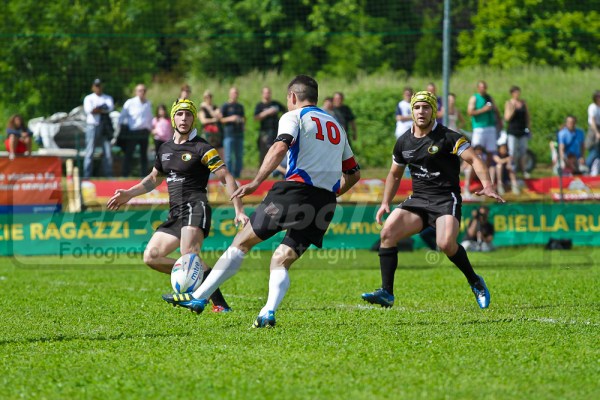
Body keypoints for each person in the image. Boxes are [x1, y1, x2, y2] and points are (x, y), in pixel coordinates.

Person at [162, 75, 361, 328]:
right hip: (324, 202)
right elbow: (353, 174)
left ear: (292, 96)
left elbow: (279, 147)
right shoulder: (336, 126)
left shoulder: (294, 116)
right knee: (281, 259)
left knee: (242, 242)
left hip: (294, 192)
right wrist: (331, 194)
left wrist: (256, 182)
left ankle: (198, 297)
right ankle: (267, 312)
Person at [361, 91, 505, 311]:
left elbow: (474, 159)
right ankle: (386, 293)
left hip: (445, 198)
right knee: (387, 233)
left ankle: (475, 281)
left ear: (434, 111)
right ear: (412, 111)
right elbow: (394, 175)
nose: (421, 111)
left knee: (446, 244)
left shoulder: (449, 137)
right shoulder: (403, 142)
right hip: (418, 199)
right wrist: (385, 203)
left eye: (426, 107)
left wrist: (488, 185)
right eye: (417, 107)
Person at [107, 99, 249, 313]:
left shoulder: (203, 147)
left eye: (188, 114)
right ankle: (199, 288)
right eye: (180, 114)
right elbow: (153, 179)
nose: (184, 118)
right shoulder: (165, 148)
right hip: (175, 213)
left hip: (195, 206)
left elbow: (226, 177)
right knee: (152, 257)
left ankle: (218, 304)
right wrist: (129, 194)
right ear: (173, 118)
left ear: (194, 118)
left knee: (188, 254)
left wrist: (239, 209)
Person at [464, 80, 501, 196]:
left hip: (490, 127)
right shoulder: (474, 98)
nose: (483, 89)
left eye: (485, 87)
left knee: (490, 155)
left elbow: (495, 110)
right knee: (476, 154)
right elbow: (470, 112)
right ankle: (467, 185)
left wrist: (499, 121)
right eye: (482, 87)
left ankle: (487, 183)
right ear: (478, 88)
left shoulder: (489, 97)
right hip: (479, 128)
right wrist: (483, 110)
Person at [119, 84, 153, 177]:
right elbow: (122, 117)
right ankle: (125, 174)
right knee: (129, 153)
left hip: (144, 132)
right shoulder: (130, 102)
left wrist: (150, 128)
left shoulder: (148, 103)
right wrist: (123, 128)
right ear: (136, 92)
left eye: (144, 90)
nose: (142, 92)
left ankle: (144, 175)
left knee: (144, 155)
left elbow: (150, 117)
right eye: (140, 90)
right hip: (133, 131)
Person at [83, 78, 114, 178]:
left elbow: (109, 108)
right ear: (93, 87)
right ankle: (87, 176)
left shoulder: (107, 97)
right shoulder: (88, 98)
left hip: (104, 126)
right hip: (92, 126)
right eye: (96, 86)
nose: (98, 87)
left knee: (107, 152)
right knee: (90, 151)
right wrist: (101, 109)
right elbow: (90, 110)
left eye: (99, 85)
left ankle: (109, 176)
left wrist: (97, 109)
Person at [504, 85, 532, 178]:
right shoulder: (509, 103)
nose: (517, 94)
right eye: (515, 92)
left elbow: (527, 116)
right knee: (513, 152)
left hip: (522, 131)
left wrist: (529, 128)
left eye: (518, 92)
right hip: (513, 131)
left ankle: (524, 170)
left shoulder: (523, 103)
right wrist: (513, 110)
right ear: (512, 93)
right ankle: (513, 170)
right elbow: (507, 118)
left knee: (523, 152)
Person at [254, 87, 285, 164]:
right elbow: (256, 118)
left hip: (276, 131)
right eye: (265, 93)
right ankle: (262, 167)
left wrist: (281, 118)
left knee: (276, 150)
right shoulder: (260, 105)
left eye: (268, 92)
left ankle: (276, 168)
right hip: (265, 132)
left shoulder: (275, 104)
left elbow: (285, 110)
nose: (267, 94)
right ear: (262, 94)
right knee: (264, 151)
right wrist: (267, 112)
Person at [220, 87, 245, 178]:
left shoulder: (240, 106)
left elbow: (243, 118)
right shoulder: (225, 106)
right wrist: (231, 118)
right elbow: (221, 120)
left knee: (239, 156)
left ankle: (237, 175)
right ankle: (229, 175)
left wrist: (242, 123)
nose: (234, 95)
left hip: (239, 134)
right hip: (229, 134)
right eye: (233, 93)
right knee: (228, 157)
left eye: (236, 93)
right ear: (229, 94)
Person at [198, 90, 224, 162]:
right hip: (208, 134)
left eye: (210, 96)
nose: (208, 98)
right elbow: (203, 120)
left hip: (216, 134)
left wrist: (208, 108)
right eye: (206, 97)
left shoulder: (214, 107)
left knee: (220, 154)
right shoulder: (202, 109)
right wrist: (213, 120)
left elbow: (219, 116)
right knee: (208, 153)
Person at [585, 90, 600, 173]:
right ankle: (587, 166)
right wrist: (597, 132)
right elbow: (593, 121)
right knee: (594, 149)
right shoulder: (593, 107)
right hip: (594, 128)